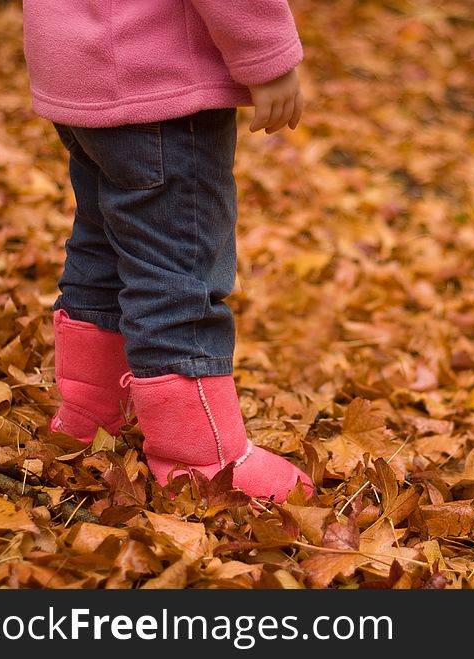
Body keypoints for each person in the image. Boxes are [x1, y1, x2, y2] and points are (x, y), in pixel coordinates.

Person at [21, 1, 314, 503]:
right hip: (160, 84)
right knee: (180, 263)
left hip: (78, 75)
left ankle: (88, 414)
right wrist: (268, 57)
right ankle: (200, 457)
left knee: (103, 245)